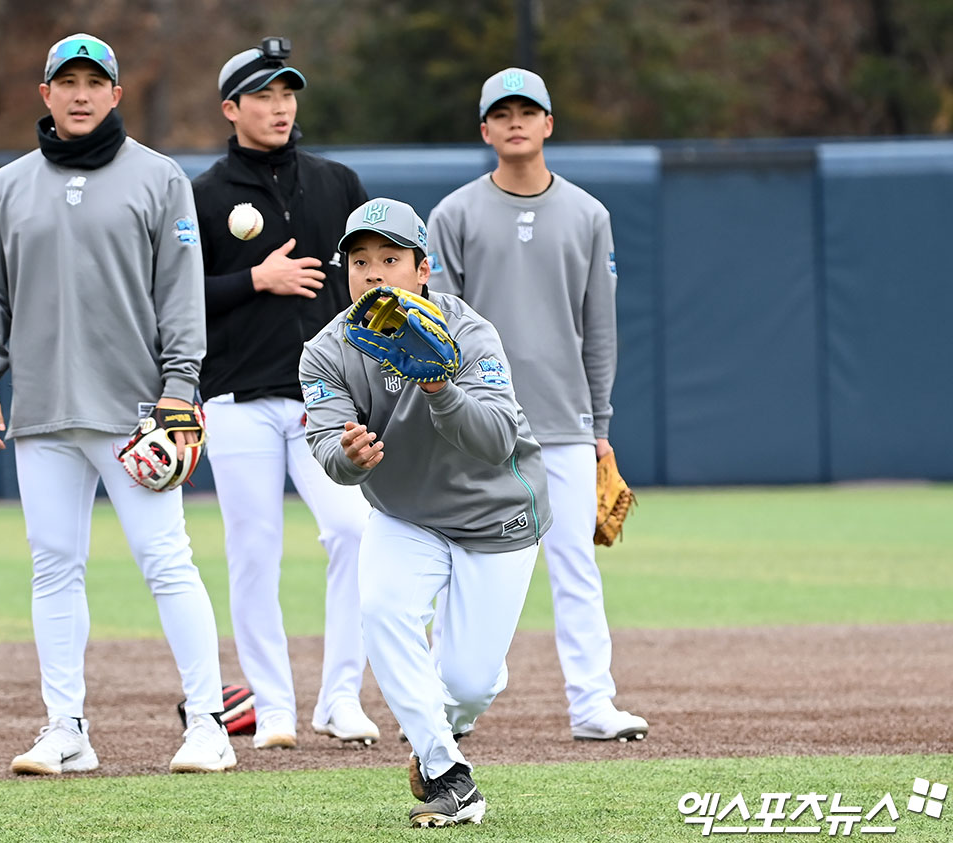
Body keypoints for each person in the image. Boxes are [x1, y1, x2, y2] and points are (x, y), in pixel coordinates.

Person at [0, 33, 235, 776]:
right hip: (44, 412)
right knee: (53, 567)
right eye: (66, 81)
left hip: (137, 414)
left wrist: (181, 387)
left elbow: (180, 292)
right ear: (44, 94)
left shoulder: (158, 177)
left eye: (95, 82)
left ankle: (208, 722)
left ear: (117, 94)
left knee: (166, 562)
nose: (80, 94)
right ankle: (66, 727)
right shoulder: (9, 184)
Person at [299, 198, 552, 827]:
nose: (375, 273)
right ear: (345, 273)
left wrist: (440, 387)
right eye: (360, 261)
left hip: (498, 517)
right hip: (404, 513)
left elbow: (496, 441)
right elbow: (329, 445)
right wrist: (349, 458)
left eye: (391, 259)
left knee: (469, 681)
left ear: (422, 270)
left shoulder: (469, 333)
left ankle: (444, 727)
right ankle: (447, 773)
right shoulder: (325, 351)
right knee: (382, 613)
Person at [425, 68, 648, 743]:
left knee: (575, 562)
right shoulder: (454, 214)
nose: (516, 121)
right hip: (477, 425)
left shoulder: (587, 214)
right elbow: (440, 329)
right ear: (485, 129)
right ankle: (449, 699)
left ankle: (591, 703)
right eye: (503, 112)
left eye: (529, 110)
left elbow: (599, 328)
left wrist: (601, 424)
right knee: (463, 563)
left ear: (548, 124)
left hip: (565, 421)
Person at [190, 37, 377, 749]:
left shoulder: (336, 183)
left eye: (287, 93)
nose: (279, 107)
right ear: (230, 108)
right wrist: (253, 281)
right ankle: (273, 707)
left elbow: (376, 278)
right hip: (238, 398)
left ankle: (340, 696)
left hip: (325, 397)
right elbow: (171, 299)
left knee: (355, 530)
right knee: (254, 550)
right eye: (263, 95)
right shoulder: (203, 195)